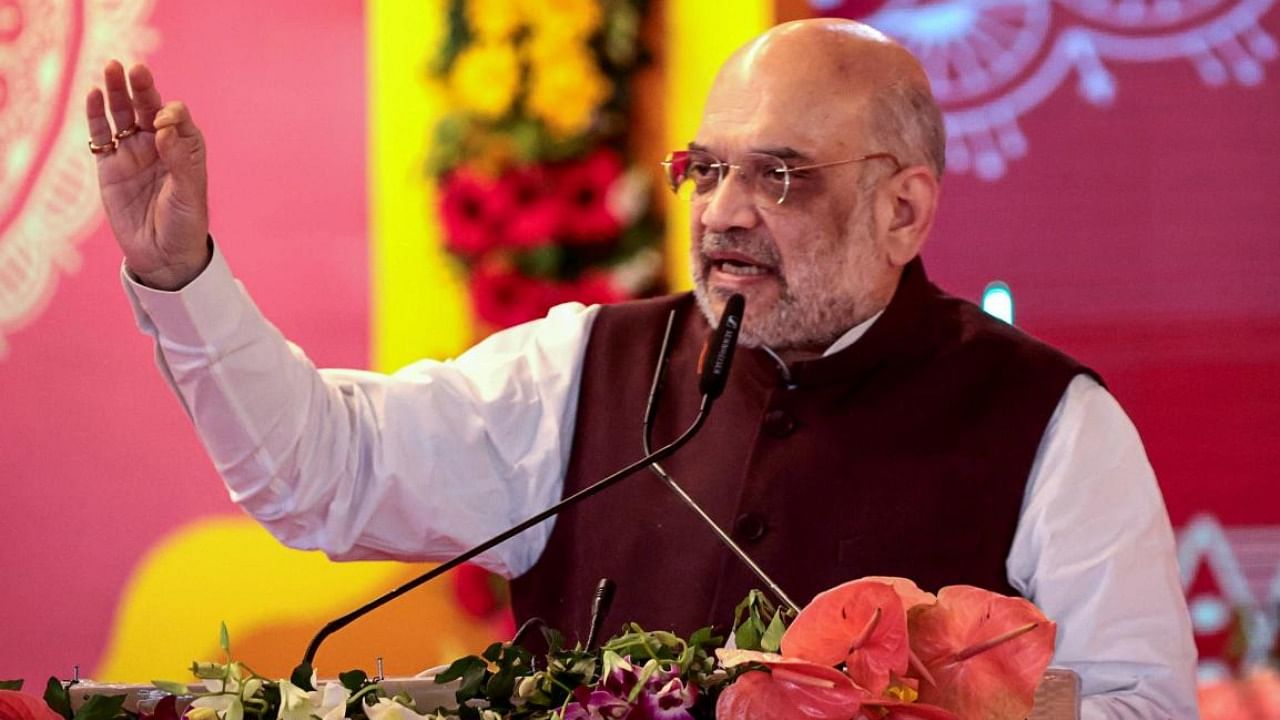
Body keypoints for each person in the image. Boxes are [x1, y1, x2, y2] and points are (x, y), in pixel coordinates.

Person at [87, 18, 1198, 717]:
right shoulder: (586, 369)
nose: (719, 213)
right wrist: (182, 277)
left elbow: (1140, 708)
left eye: (777, 175)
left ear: (901, 207)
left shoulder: (1051, 424)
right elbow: (322, 475)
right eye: (705, 169)